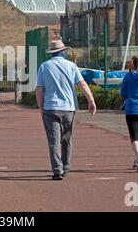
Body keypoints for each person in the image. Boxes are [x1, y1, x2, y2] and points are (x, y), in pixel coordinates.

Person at [35, 40, 97, 181]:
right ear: (63, 52)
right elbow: (82, 83)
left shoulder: (44, 67)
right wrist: (91, 100)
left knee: (54, 141)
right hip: (69, 107)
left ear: (51, 53)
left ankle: (57, 170)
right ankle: (66, 165)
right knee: (67, 139)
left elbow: (39, 89)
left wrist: (41, 107)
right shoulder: (71, 66)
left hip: (50, 108)